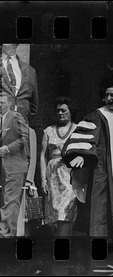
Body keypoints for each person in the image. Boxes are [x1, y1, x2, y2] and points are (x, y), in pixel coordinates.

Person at [61, 75, 113, 237]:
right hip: (102, 173)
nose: (109, 98)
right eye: (106, 96)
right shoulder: (97, 116)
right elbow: (87, 138)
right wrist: (81, 156)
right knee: (101, 210)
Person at [1, 44, 39, 233]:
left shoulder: (30, 71)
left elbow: (33, 106)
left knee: (13, 199)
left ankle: (7, 244)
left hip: (18, 144)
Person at [40, 97, 78, 236]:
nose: (60, 113)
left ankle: (64, 240)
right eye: (58, 111)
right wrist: (43, 179)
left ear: (71, 112)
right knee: (55, 213)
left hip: (69, 176)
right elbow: (43, 156)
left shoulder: (77, 129)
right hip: (53, 178)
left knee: (67, 209)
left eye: (64, 110)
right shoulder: (48, 131)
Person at [0, 92, 29, 237]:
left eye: (2, 102)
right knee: (5, 202)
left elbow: (25, 138)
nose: (0, 105)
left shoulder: (16, 117)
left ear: (10, 103)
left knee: (11, 203)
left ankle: (7, 239)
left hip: (14, 166)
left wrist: (8, 148)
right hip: (2, 168)